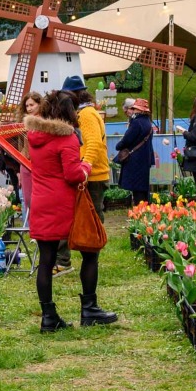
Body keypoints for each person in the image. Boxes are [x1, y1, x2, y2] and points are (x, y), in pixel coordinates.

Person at [26, 91, 117, 332]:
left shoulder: (35, 136)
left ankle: (48, 316)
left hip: (41, 201)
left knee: (46, 260)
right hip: (65, 204)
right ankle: (89, 308)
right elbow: (72, 174)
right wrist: (86, 166)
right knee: (90, 251)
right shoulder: (66, 138)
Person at [60, 76, 110, 276]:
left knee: (91, 219)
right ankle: (84, 257)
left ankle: (90, 257)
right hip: (92, 174)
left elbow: (94, 143)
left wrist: (85, 167)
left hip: (93, 175)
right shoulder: (86, 112)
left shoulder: (87, 114)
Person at [115, 98, 154, 206]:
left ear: (139, 110)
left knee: (137, 188)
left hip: (136, 159)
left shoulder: (137, 122)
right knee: (143, 187)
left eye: (135, 108)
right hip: (145, 158)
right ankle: (145, 209)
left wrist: (118, 146)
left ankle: (139, 209)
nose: (133, 110)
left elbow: (127, 139)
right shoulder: (147, 122)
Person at [16, 93, 44, 224]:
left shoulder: (45, 123)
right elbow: (22, 147)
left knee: (38, 199)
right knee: (28, 199)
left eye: (32, 105)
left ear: (40, 104)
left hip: (39, 164)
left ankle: (39, 225)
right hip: (26, 163)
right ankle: (34, 226)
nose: (29, 108)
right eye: (27, 106)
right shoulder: (24, 123)